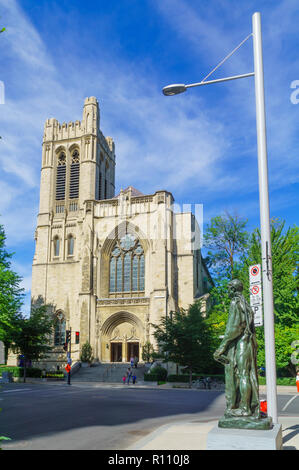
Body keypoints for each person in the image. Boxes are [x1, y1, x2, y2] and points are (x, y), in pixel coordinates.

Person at [214, 279, 260, 418]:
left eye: (229, 288)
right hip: (248, 342)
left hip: (241, 342)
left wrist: (221, 348)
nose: (227, 291)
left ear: (233, 289)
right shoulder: (245, 304)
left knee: (243, 374)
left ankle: (245, 409)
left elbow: (234, 329)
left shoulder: (235, 302)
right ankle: (247, 406)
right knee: (247, 374)